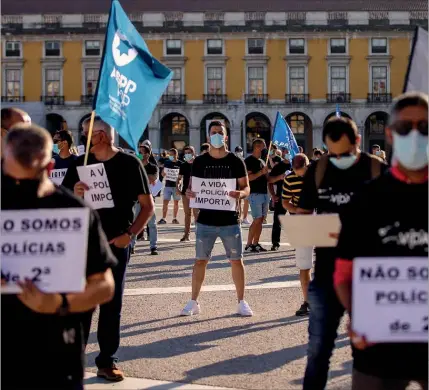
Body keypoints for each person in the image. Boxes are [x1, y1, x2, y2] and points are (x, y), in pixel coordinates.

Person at [1, 123, 116, 390]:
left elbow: (104, 285)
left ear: (50, 169)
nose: (20, 189)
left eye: (31, 181)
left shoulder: (74, 211)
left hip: (56, 355)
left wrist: (59, 303)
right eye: (13, 179)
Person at [334, 92, 428, 390]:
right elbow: (343, 274)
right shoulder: (366, 198)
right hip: (378, 341)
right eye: (404, 128)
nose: (415, 135)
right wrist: (355, 315)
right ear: (390, 134)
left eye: (425, 128)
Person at [62, 117, 154, 381]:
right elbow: (62, 202)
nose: (84, 138)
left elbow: (147, 207)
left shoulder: (129, 163)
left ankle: (107, 360)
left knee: (112, 304)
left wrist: (130, 235)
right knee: (78, 303)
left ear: (101, 136)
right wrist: (74, 193)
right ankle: (72, 361)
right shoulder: (79, 164)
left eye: (87, 134)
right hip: (82, 242)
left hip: (116, 242)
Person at [298, 116, 386, 390]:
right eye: (334, 154)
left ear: (358, 142)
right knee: (317, 351)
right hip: (327, 272)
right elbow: (303, 213)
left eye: (346, 153)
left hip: (370, 275)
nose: (340, 158)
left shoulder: (376, 169)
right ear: (325, 146)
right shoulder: (319, 169)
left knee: (370, 353)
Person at [181, 120, 253, 317]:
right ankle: (193, 301)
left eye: (220, 132)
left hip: (230, 220)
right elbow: (191, 188)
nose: (217, 135)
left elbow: (247, 187)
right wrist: (190, 194)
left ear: (226, 136)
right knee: (200, 261)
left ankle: (241, 301)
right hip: (206, 220)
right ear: (208, 137)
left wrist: (240, 194)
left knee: (236, 260)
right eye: (213, 132)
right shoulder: (199, 162)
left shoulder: (236, 161)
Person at [282, 154, 313, 316]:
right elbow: (285, 201)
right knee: (304, 264)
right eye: (296, 170)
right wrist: (297, 210)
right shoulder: (290, 179)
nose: (298, 173)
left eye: (301, 170)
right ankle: (307, 301)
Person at [132, 142, 159, 255]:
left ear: (148, 154)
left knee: (152, 224)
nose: (139, 154)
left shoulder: (153, 167)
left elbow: (153, 179)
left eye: (142, 152)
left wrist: (141, 175)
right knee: (134, 223)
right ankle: (132, 245)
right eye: (138, 152)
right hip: (136, 198)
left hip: (149, 199)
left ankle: (153, 246)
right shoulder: (134, 166)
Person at [245, 138, 269, 252]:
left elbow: (267, 178)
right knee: (257, 219)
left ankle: (256, 243)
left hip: (264, 193)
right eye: (264, 146)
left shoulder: (263, 161)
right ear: (257, 147)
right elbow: (248, 178)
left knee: (261, 219)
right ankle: (249, 244)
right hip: (255, 193)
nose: (265, 149)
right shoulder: (249, 161)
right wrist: (261, 172)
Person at [268, 150, 291, 251]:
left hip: (295, 198)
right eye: (286, 151)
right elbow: (269, 180)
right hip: (281, 197)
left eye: (289, 151)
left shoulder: (296, 164)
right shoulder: (278, 166)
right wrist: (273, 195)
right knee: (277, 221)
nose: (288, 153)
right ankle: (275, 243)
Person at [177, 145, 199, 241]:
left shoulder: (198, 164)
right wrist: (177, 186)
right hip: (185, 192)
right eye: (186, 153)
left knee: (197, 214)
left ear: (193, 153)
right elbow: (179, 178)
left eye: (189, 153)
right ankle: (186, 235)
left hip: (196, 193)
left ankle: (199, 234)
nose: (187, 155)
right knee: (187, 214)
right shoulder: (183, 165)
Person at [159, 148, 182, 224]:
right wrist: (163, 173)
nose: (171, 156)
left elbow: (182, 175)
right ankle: (163, 218)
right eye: (170, 155)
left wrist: (179, 179)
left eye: (172, 155)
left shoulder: (180, 164)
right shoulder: (167, 162)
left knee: (176, 203)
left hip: (176, 186)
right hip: (167, 185)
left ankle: (174, 218)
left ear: (176, 155)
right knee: (165, 202)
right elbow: (162, 173)